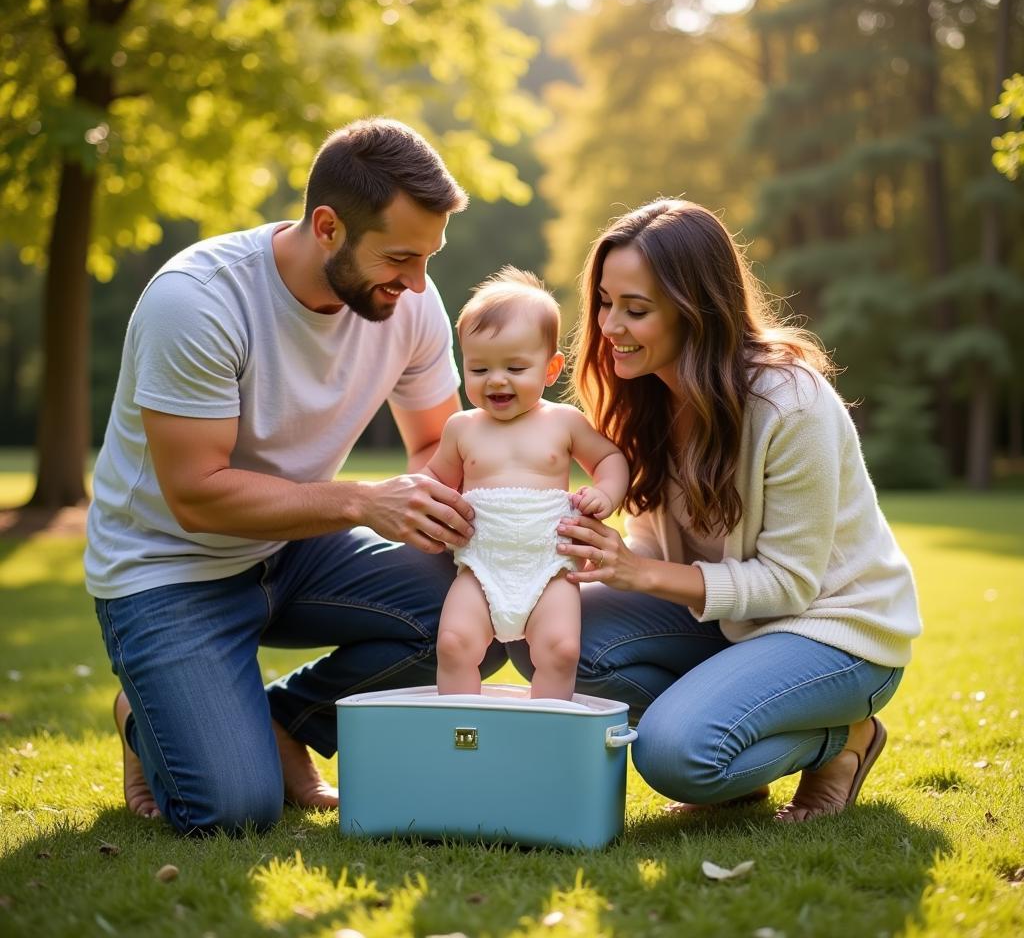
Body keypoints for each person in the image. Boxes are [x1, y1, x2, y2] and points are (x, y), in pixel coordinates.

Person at [86, 118, 508, 835]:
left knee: (484, 610)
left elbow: (435, 443)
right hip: (168, 569)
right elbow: (196, 495)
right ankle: (143, 717)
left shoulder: (410, 301)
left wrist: (472, 529)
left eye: (428, 259)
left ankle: (285, 717)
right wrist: (362, 502)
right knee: (233, 812)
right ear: (327, 227)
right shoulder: (197, 302)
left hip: (294, 548)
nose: (417, 283)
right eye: (402, 257)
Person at [525, 198, 921, 821]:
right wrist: (583, 560)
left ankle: (842, 741)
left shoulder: (790, 403)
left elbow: (790, 583)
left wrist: (638, 572)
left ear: (696, 311)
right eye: (604, 302)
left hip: (835, 633)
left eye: (636, 310)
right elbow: (656, 551)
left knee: (675, 758)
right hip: (728, 627)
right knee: (548, 632)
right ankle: (729, 731)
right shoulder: (640, 399)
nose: (609, 326)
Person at [422, 268, 629, 701]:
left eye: (516, 367)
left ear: (551, 368)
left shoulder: (564, 422)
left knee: (561, 648)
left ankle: (548, 737)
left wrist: (605, 494)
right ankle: (463, 736)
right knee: (454, 644)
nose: (497, 379)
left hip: (549, 566)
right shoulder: (462, 427)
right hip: (481, 566)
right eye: (480, 368)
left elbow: (610, 458)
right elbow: (434, 480)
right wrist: (426, 505)